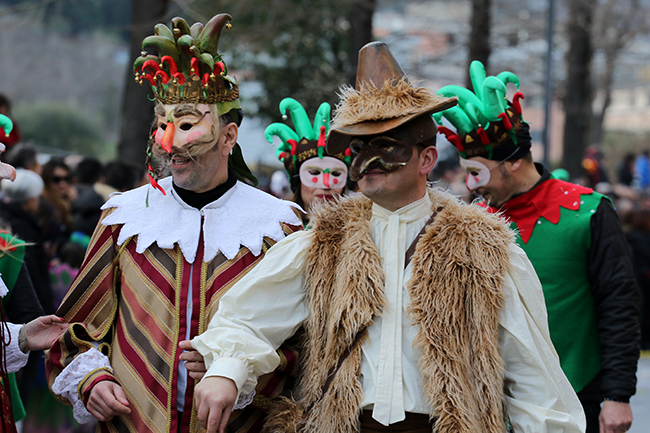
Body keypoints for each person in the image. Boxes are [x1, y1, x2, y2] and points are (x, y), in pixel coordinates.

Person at [189, 42, 585, 433]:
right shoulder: (323, 241)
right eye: (359, 148)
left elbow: (533, 374)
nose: (368, 161)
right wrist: (227, 369)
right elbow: (249, 316)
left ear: (426, 159)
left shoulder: (485, 247)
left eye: (387, 146)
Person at [45, 13, 302, 433]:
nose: (168, 143)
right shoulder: (124, 217)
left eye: (185, 124)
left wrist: (239, 370)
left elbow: (301, 345)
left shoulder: (278, 226)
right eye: (162, 124)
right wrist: (92, 380)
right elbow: (73, 331)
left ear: (228, 137)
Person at [437, 60, 640, 433]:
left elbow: (619, 304)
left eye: (477, 172)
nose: (470, 185)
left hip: (582, 392)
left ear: (512, 162)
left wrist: (618, 394)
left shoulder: (588, 212)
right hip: (501, 399)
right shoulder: (477, 219)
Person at [265, 98, 351, 224]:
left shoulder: (362, 232)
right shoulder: (276, 232)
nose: (326, 185)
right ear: (297, 180)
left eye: (336, 174)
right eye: (314, 173)